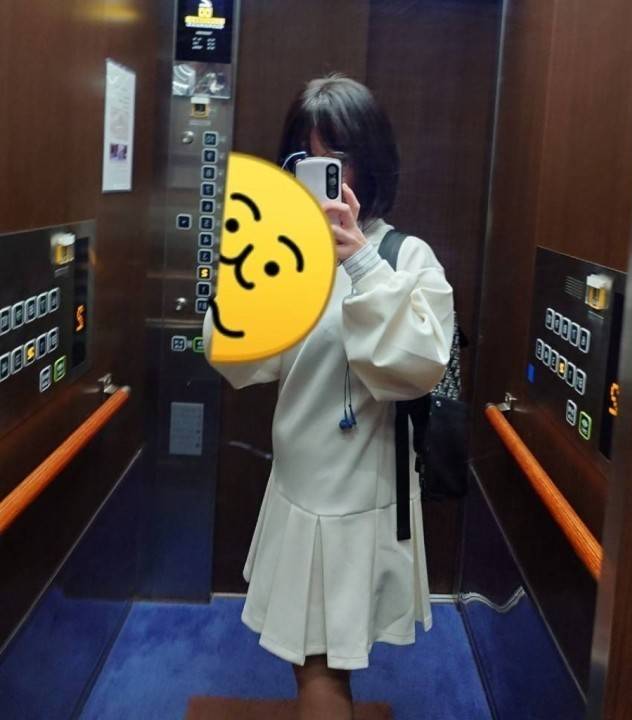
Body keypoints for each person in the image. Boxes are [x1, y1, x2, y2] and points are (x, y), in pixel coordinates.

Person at [203, 74, 454, 720]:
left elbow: (420, 365)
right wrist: (255, 266)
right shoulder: (287, 259)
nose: (323, 177)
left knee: (319, 671)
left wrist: (361, 261)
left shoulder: (406, 257)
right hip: (298, 491)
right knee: (319, 668)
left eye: (336, 160)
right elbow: (234, 360)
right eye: (305, 159)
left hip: (363, 503)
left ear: (368, 163)